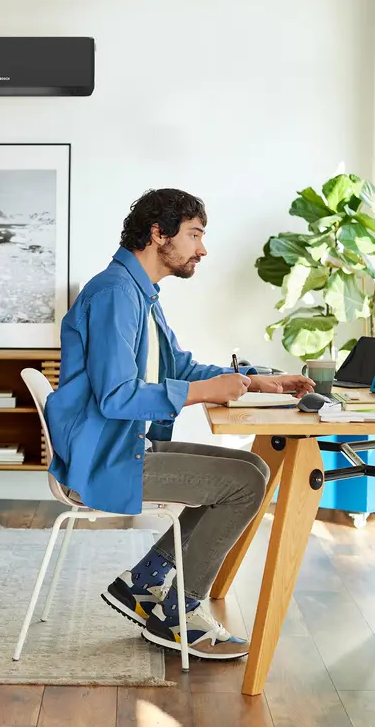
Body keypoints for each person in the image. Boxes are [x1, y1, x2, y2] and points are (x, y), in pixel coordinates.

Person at [45, 189, 313, 660]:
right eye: (194, 235)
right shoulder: (114, 295)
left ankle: (143, 583)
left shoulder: (139, 292)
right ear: (158, 233)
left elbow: (179, 368)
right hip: (105, 460)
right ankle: (177, 614)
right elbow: (116, 395)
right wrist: (205, 393)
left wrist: (256, 382)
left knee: (252, 470)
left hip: (119, 446)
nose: (202, 249)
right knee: (241, 487)